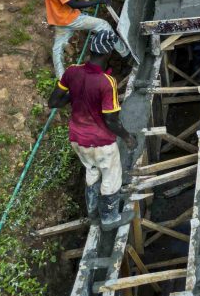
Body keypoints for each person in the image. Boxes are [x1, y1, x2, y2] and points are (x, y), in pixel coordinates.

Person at [48, 31, 136, 230]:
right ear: (107, 54)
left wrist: (75, 95)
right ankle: (109, 218)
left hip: (77, 139)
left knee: (92, 170)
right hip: (100, 141)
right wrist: (127, 137)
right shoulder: (106, 82)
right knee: (111, 177)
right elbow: (110, 120)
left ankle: (93, 213)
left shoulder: (72, 71)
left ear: (91, 49)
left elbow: (53, 101)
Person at [36, 0, 127, 79]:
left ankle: (61, 80)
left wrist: (52, 1)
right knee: (103, 25)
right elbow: (73, 4)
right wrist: (99, 1)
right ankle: (125, 53)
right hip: (70, 18)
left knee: (57, 50)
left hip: (57, 19)